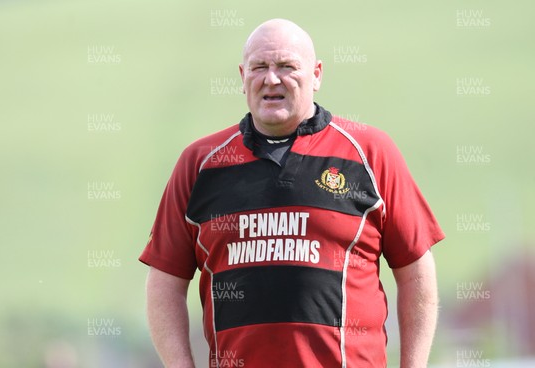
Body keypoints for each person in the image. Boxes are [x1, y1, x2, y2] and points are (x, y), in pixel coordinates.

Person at [140, 18, 445, 368]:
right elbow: (165, 282)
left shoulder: (370, 152)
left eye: (287, 66)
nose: (272, 79)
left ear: (316, 75)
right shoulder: (200, 164)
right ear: (242, 76)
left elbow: (415, 271)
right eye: (259, 67)